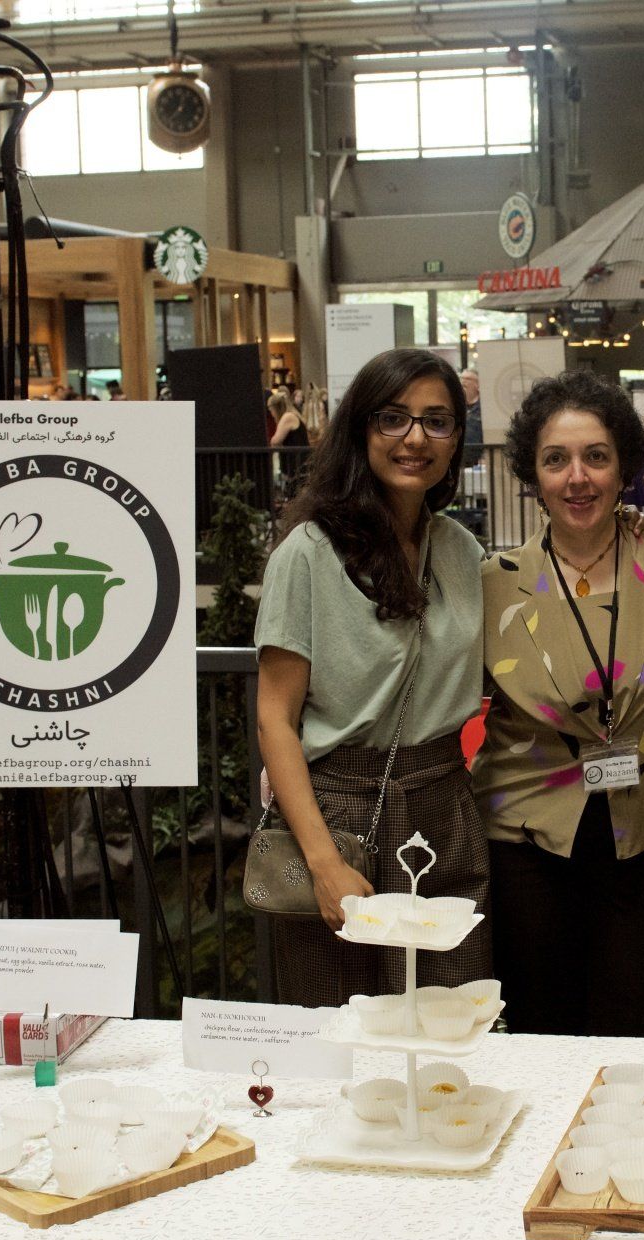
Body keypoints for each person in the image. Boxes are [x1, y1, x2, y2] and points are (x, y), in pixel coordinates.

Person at [254, 347, 491, 1006]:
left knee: (450, 1027)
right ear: (362, 430)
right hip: (339, 816)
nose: (415, 438)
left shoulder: (460, 550)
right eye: (393, 418)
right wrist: (324, 863)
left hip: (444, 807)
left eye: (437, 421)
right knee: (341, 1036)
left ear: (454, 441)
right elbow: (275, 718)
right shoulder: (308, 553)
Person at [473, 370, 644, 1036]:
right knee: (543, 1037)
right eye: (557, 460)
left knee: (635, 1033)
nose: (578, 477)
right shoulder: (495, 584)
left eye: (595, 457)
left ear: (623, 466)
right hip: (526, 845)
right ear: (533, 474)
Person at [459, 367, 485, 465]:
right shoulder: (455, 407)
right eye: (461, 378)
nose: (463, 382)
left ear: (478, 385)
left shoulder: (484, 408)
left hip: (477, 462)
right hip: (458, 461)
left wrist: (484, 457)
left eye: (468, 379)